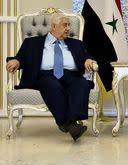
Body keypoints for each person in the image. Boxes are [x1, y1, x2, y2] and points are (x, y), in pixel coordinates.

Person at [6, 13, 96, 141]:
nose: (68, 28)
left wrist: (89, 60)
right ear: (54, 26)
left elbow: (88, 56)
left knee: (82, 84)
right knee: (51, 85)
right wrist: (16, 62)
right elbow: (20, 57)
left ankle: (68, 123)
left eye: (69, 25)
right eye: (65, 25)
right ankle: (69, 124)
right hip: (45, 75)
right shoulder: (32, 43)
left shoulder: (76, 44)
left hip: (71, 75)